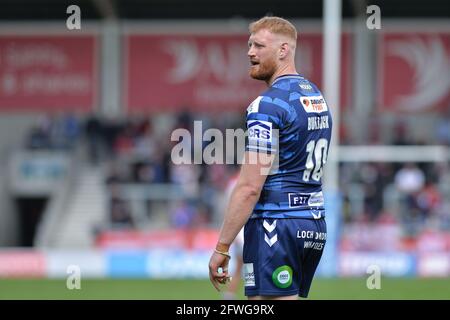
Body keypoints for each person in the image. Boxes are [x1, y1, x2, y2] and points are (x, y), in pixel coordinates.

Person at [208, 16, 333, 300]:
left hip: (275, 224)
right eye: (250, 45)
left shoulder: (267, 105)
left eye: (259, 46)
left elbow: (250, 186)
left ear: (283, 50)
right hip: (312, 222)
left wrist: (222, 248)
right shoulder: (316, 97)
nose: (250, 52)